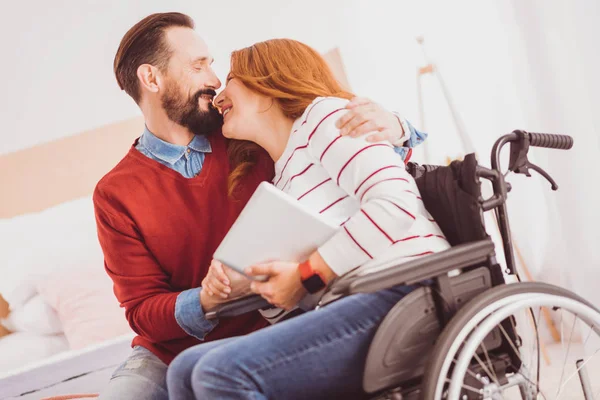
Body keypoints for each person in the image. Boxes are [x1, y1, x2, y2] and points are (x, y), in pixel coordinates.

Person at [95, 13, 424, 399]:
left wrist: (399, 126)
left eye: (216, 67)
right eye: (199, 65)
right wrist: (207, 299)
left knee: (215, 374)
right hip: (172, 348)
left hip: (283, 320)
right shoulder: (116, 193)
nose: (215, 82)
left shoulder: (248, 134)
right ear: (151, 79)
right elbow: (141, 309)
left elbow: (354, 152)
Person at [166, 39, 450, 399]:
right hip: (347, 302)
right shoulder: (281, 179)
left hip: (405, 291)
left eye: (232, 79)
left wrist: (306, 275)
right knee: (184, 370)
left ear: (267, 82)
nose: (219, 96)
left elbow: (396, 204)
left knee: (219, 374)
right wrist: (247, 283)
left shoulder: (326, 117)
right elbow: (298, 293)